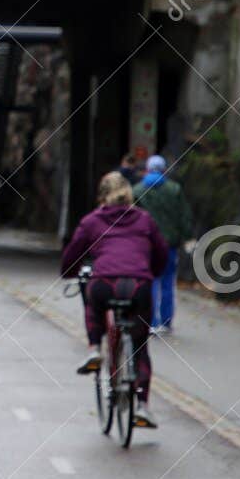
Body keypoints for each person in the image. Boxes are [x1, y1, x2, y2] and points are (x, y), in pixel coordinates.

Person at [61, 171, 169, 429]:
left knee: (93, 303)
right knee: (140, 345)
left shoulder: (91, 221)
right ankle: (142, 406)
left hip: (105, 283)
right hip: (138, 286)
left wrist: (70, 272)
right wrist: (149, 272)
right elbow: (162, 254)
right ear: (129, 195)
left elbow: (70, 258)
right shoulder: (145, 220)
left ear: (101, 197)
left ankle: (95, 350)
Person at [133, 154, 194, 335]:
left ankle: (151, 321)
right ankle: (166, 322)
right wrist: (188, 237)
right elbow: (184, 216)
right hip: (169, 244)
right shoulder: (174, 189)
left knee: (149, 281)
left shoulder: (137, 191)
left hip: (146, 244)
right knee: (167, 282)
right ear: (164, 169)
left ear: (147, 169)